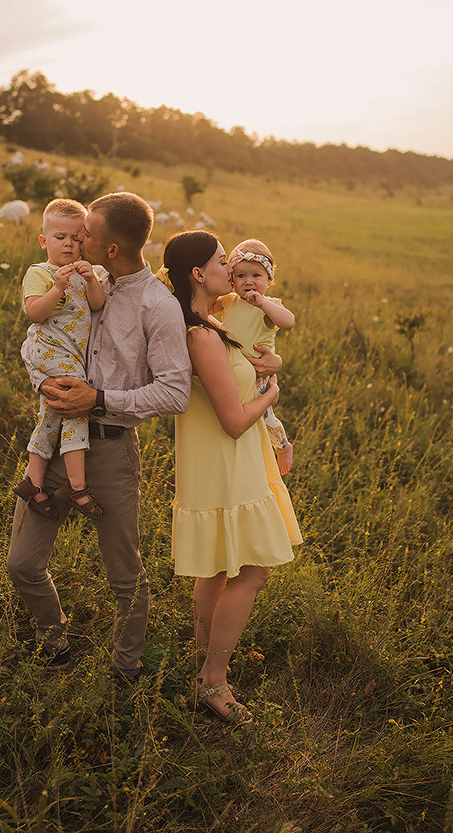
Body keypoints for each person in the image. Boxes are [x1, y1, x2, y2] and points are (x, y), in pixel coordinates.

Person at [8, 192, 200, 682]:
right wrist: (44, 381)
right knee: (23, 565)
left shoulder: (157, 306)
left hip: (111, 449)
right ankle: (54, 642)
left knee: (124, 576)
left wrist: (97, 399)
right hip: (54, 439)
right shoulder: (73, 280)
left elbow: (175, 393)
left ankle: (126, 669)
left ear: (111, 248)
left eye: (86, 234)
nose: (76, 240)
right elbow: (38, 339)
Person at [159, 230, 302, 724]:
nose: (233, 266)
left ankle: (203, 663)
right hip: (224, 458)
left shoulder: (212, 324)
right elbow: (235, 419)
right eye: (224, 261)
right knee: (254, 570)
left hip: (224, 460)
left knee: (217, 569)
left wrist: (272, 361)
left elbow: (250, 355)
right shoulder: (201, 334)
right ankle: (214, 679)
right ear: (199, 274)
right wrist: (271, 396)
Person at [14, 198, 106, 521]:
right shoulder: (40, 272)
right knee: (74, 406)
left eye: (76, 238)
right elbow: (34, 312)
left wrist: (91, 279)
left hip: (70, 355)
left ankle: (33, 481)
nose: (69, 244)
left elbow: (96, 306)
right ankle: (77, 486)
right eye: (60, 237)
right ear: (44, 241)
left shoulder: (86, 272)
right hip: (51, 349)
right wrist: (58, 288)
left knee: (52, 416)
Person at [218, 238, 295, 477]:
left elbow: (289, 322)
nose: (249, 282)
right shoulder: (229, 301)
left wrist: (262, 303)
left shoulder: (269, 306)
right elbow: (203, 307)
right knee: (236, 415)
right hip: (232, 371)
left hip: (259, 375)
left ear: (269, 280)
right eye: (240, 276)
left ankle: (282, 446)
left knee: (264, 416)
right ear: (232, 279)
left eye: (256, 276)